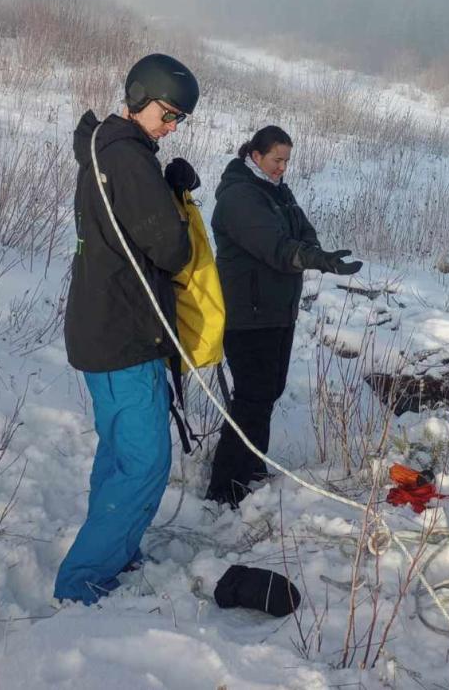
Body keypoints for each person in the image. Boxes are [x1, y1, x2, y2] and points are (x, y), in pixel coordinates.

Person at [55, 53, 201, 604]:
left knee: (119, 453)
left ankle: (115, 551)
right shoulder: (130, 159)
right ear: (140, 96)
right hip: (124, 334)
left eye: (180, 119)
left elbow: (129, 223)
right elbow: (170, 248)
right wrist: (175, 202)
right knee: (145, 462)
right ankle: (82, 582)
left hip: (100, 327)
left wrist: (166, 185)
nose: (171, 126)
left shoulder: (103, 145)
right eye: (168, 114)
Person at [206, 125, 363, 506]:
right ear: (256, 156)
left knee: (268, 391)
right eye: (277, 160)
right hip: (248, 312)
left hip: (277, 310)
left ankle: (252, 465)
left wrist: (315, 250)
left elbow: (302, 230)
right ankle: (224, 487)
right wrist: (315, 260)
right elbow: (275, 246)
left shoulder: (276, 190)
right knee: (251, 396)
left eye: (287, 161)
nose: (282, 168)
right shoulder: (240, 196)